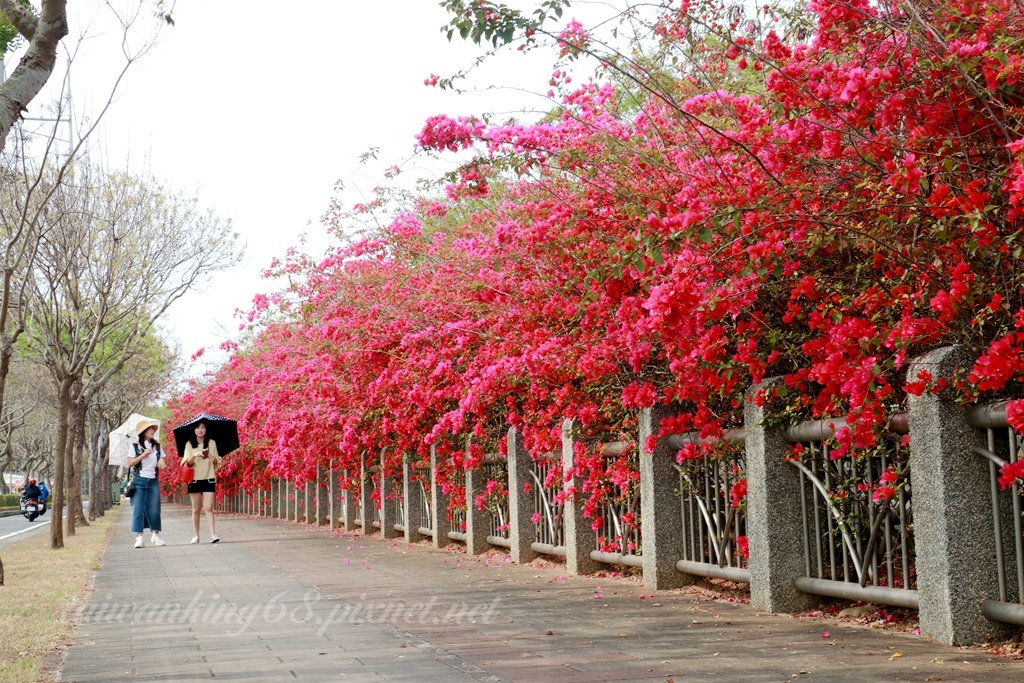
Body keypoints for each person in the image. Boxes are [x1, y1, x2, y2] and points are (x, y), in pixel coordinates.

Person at [182, 418, 222, 543]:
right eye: (198, 428)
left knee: (209, 507)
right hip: (194, 479)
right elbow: (186, 463)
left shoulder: (211, 443)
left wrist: (213, 459)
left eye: (203, 428)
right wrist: (194, 456)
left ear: (206, 430)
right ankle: (196, 535)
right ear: (194, 430)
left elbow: (218, 461)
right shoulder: (189, 444)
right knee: (196, 508)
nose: (200, 430)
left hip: (209, 478)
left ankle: (213, 534)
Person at [127, 418, 165, 548]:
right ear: (143, 432)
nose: (152, 431)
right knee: (138, 509)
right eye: (149, 429)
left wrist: (161, 461)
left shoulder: (157, 446)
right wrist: (143, 455)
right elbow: (130, 463)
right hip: (139, 481)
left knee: (154, 509)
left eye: (153, 429)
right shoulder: (135, 446)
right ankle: (139, 537)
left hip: (153, 480)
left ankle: (156, 534)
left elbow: (162, 460)